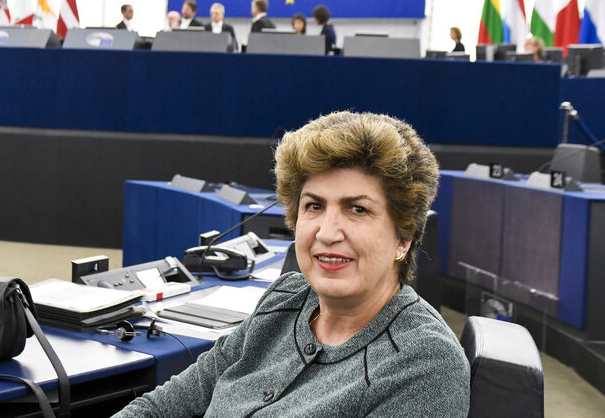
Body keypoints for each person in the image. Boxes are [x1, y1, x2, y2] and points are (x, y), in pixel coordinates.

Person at [112, 111, 470, 417]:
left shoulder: (425, 362)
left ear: (403, 238)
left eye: (357, 209)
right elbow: (161, 407)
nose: (327, 233)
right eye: (314, 206)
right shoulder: (285, 298)